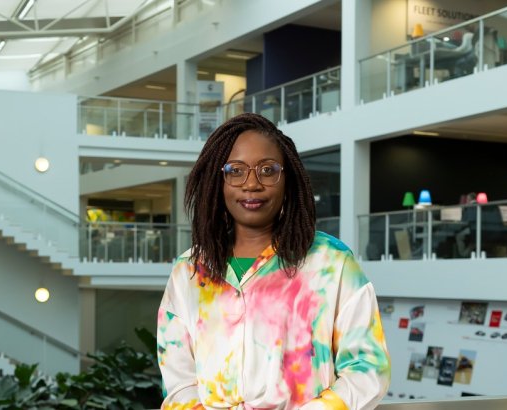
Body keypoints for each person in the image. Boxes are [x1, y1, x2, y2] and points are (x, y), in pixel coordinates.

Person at [157, 113, 390, 409]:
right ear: (218, 181)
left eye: (268, 170)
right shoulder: (189, 270)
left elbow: (368, 368)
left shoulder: (332, 262)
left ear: (287, 180)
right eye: (235, 170)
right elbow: (178, 379)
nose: (252, 184)